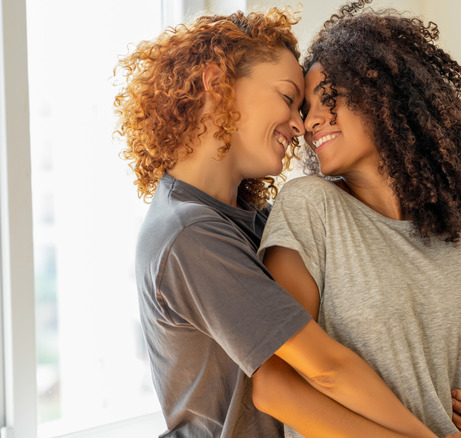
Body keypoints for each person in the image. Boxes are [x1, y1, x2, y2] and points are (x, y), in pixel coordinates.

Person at [114, 8, 443, 437]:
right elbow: (325, 369)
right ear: (217, 85)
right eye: (289, 99)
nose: (301, 123)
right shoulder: (189, 235)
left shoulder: (257, 222)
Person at [259, 2, 461, 437]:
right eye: (306, 108)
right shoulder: (310, 209)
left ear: (388, 96)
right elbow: (276, 384)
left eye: (331, 96)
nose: (311, 121)